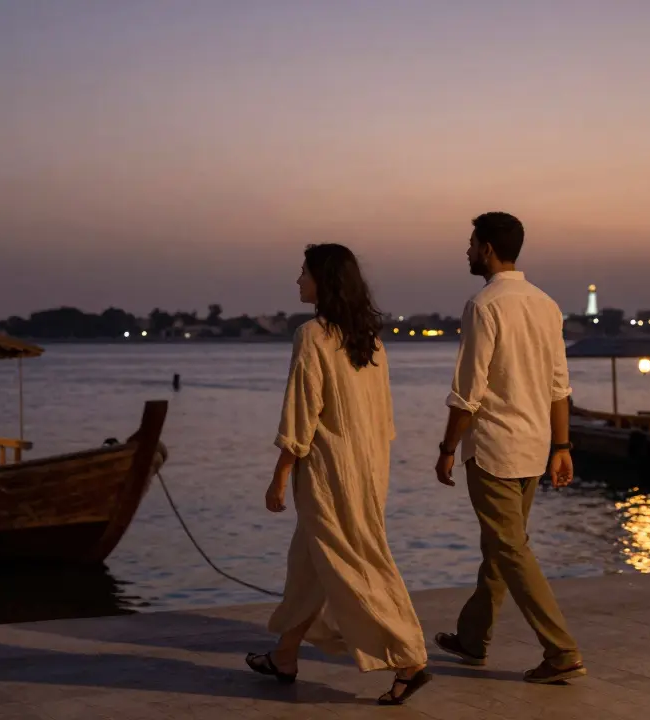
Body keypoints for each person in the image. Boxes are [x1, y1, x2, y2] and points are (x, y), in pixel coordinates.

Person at [246, 243, 432, 706]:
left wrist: (280, 475)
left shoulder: (311, 335)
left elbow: (301, 410)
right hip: (368, 465)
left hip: (330, 470)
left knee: (355, 562)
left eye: (303, 273)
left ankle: (408, 655)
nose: (298, 281)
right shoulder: (369, 339)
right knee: (309, 563)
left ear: (323, 281)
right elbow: (384, 418)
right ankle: (285, 654)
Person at [432, 212, 586, 683]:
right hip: (534, 446)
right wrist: (561, 446)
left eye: (471, 242)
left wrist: (446, 447)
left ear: (488, 249)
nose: (467, 250)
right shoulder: (546, 304)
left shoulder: (484, 305)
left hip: (496, 449)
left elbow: (468, 391)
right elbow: (560, 386)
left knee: (511, 549)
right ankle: (472, 637)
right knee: (502, 545)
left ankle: (561, 651)